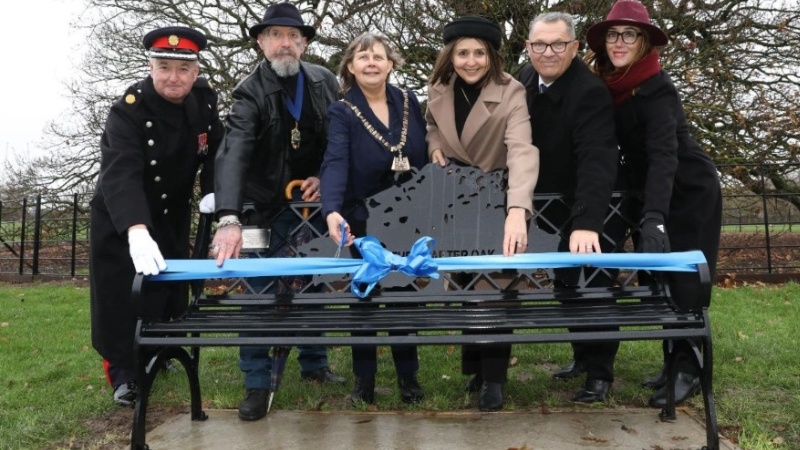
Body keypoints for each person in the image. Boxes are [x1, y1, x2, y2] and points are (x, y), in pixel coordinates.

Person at [209, 2, 345, 422]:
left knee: (312, 284)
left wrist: (325, 177)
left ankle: (314, 363)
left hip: (308, 206)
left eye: (293, 36)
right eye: (276, 36)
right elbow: (233, 153)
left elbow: (337, 144)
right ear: (261, 42)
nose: (285, 44)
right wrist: (229, 217)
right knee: (258, 289)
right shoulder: (248, 91)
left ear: (304, 43)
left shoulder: (324, 81)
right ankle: (255, 380)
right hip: (259, 206)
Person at [584, 0, 722, 408]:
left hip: (686, 191)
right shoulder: (612, 83)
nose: (619, 42)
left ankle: (688, 368)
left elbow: (664, 156)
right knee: (655, 280)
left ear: (644, 43)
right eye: (613, 34)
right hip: (647, 190)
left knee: (682, 280)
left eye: (630, 35)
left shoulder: (658, 89)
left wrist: (655, 219)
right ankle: (671, 360)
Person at [89, 26, 223, 406]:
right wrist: (135, 229)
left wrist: (213, 187)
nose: (173, 77)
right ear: (151, 67)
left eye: (183, 68)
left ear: (196, 72)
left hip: (171, 213)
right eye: (164, 67)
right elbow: (121, 172)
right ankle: (123, 373)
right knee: (121, 296)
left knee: (165, 293)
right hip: (123, 215)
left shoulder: (203, 101)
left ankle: (159, 353)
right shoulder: (128, 110)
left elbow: (217, 149)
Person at [426, 15, 540, 411]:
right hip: (455, 203)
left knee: (493, 289)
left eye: (478, 53)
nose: (470, 61)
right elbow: (434, 128)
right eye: (462, 53)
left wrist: (516, 209)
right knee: (463, 285)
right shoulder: (438, 89)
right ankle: (475, 369)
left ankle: (494, 380)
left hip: (496, 199)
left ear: (491, 56)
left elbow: (522, 149)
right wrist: (434, 146)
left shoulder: (511, 92)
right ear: (450, 55)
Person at [518, 12, 621, 403]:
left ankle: (600, 374)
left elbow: (597, 160)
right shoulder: (525, 79)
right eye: (539, 44)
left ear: (574, 47)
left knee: (594, 287)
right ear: (528, 47)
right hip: (549, 204)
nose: (548, 52)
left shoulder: (589, 92)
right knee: (565, 287)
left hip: (590, 206)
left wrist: (587, 222)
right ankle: (581, 356)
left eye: (558, 44)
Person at [320, 32, 428, 406]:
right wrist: (332, 209)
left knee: (403, 299)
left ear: (391, 64)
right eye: (362, 57)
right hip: (361, 219)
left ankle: (408, 379)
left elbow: (425, 150)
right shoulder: (342, 111)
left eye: (379, 56)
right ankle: (364, 382)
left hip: (406, 218)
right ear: (350, 66)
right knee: (363, 299)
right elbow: (335, 161)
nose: (371, 62)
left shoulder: (410, 102)